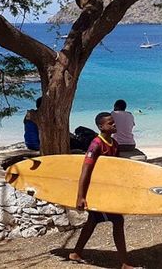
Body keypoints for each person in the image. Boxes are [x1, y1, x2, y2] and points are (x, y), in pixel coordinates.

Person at [69, 112, 138, 269]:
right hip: (96, 191)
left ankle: (76, 252)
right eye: (110, 123)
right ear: (101, 126)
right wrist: (81, 197)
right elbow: (85, 170)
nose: (114, 124)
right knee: (118, 220)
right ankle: (125, 263)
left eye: (114, 122)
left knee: (93, 221)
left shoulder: (114, 143)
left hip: (106, 190)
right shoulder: (96, 145)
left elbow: (116, 169)